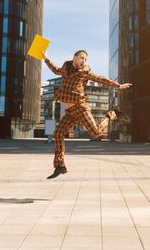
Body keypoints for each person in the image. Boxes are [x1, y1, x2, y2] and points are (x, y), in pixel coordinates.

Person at [42, 50, 132, 179]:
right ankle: (60, 166)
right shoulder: (65, 68)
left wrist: (117, 85)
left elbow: (100, 79)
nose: (83, 61)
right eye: (81, 58)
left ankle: (112, 114)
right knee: (58, 134)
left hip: (80, 107)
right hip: (71, 111)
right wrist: (45, 58)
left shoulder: (85, 72)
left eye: (85, 59)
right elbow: (55, 70)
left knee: (95, 133)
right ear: (74, 57)